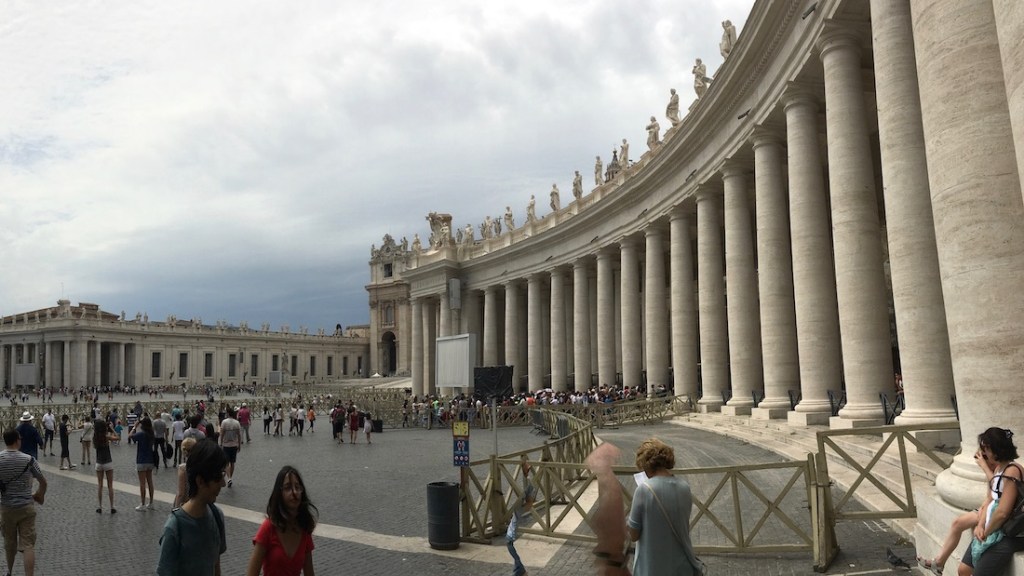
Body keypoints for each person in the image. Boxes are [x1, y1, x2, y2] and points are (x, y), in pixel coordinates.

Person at [627, 438, 704, 576]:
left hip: (652, 566)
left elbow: (633, 535)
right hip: (682, 566)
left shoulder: (643, 490)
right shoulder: (684, 488)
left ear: (646, 465)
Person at [956, 428, 1023, 576]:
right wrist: (980, 525)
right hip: (991, 529)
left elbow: (1003, 512)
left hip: (1009, 533)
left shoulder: (1012, 471)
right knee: (964, 570)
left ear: (997, 449)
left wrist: (985, 532)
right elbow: (991, 499)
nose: (984, 453)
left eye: (986, 449)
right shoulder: (999, 468)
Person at [157, 439, 228, 576]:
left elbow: (216, 566)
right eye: (218, 477)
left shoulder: (217, 515)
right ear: (200, 481)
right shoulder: (174, 527)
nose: (223, 484)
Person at [245, 466, 318, 576]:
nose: (294, 492)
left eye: (297, 487)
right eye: (288, 488)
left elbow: (309, 572)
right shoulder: (268, 528)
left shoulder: (304, 528)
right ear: (279, 493)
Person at [0, 428, 47, 576]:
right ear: (16, 440)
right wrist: (40, 494)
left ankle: (10, 571)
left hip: (7, 508)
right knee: (28, 545)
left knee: (9, 543)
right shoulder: (29, 459)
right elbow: (43, 481)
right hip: (26, 506)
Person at [506, 457, 536, 576]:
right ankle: (519, 570)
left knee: (510, 542)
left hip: (519, 513)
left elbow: (527, 495)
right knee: (510, 542)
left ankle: (520, 570)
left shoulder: (526, 483)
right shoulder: (526, 481)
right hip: (519, 512)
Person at [93, 419, 119, 514]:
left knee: (100, 485)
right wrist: (112, 429)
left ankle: (100, 507)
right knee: (110, 486)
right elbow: (118, 437)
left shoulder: (95, 438)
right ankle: (112, 506)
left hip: (99, 463)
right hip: (108, 462)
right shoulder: (106, 437)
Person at [131, 417, 157, 511]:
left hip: (141, 460)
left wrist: (134, 426)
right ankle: (151, 503)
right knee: (150, 482)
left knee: (142, 483)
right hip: (150, 460)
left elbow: (130, 436)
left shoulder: (141, 434)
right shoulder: (151, 434)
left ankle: (142, 504)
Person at [219, 407, 242, 488]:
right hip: (234, 445)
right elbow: (239, 435)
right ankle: (230, 478)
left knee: (227, 463)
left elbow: (221, 434)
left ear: (228, 414)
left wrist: (220, 443)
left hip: (226, 444)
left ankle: (229, 478)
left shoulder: (224, 422)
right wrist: (239, 445)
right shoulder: (237, 423)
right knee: (232, 462)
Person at [174, 437, 198, 508]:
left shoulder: (183, 468)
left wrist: (176, 508)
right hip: (198, 503)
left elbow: (181, 493)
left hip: (186, 505)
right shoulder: (200, 465)